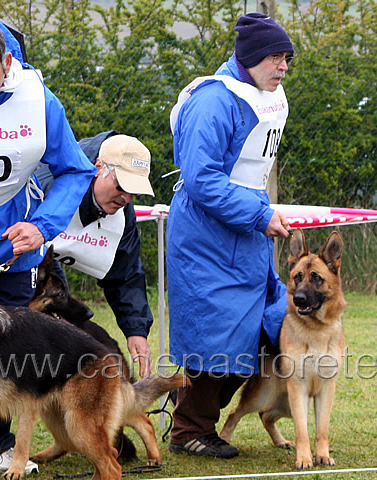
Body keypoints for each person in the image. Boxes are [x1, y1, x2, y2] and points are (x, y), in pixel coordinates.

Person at [0, 19, 96, 479]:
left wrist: (41, 227)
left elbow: (75, 170)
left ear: (8, 63)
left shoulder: (39, 101)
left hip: (10, 262)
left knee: (3, 372)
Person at [166, 13, 292, 458]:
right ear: (251, 57)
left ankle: (191, 415)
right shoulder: (213, 102)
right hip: (205, 235)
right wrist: (259, 216)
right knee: (216, 338)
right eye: (275, 58)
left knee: (258, 326)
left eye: (286, 59)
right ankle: (189, 429)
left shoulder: (262, 96)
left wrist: (258, 216)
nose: (282, 68)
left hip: (244, 234)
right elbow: (202, 179)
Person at [42, 131, 155, 379]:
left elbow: (125, 272)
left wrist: (135, 329)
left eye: (134, 192)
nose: (126, 198)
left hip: (49, 258)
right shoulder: (48, 180)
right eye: (122, 186)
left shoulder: (123, 212)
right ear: (98, 167)